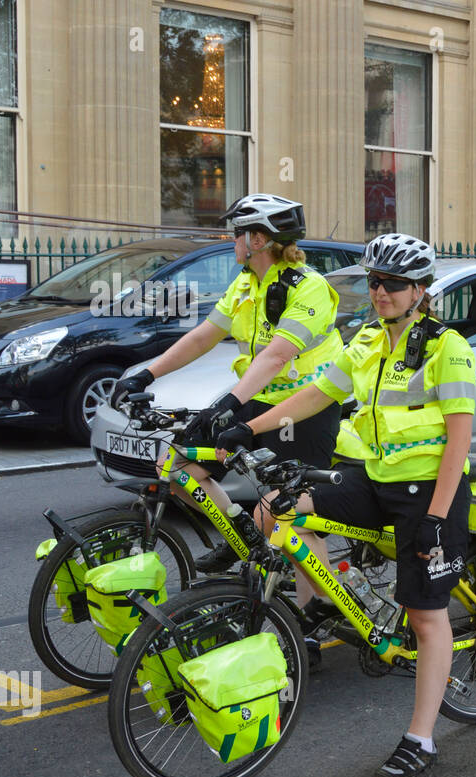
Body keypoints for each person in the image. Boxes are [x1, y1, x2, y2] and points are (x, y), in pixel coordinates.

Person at [216, 233, 476, 777]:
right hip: (374, 480)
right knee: (276, 509)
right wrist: (246, 423)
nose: (380, 292)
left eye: (394, 284)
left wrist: (436, 514)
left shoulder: (446, 347)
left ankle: (420, 738)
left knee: (426, 617)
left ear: (421, 290)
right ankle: (329, 602)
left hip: (429, 492)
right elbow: (318, 394)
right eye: (374, 281)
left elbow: (458, 440)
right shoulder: (368, 338)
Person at [109, 194, 343, 571]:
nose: (231, 241)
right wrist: (146, 373)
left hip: (304, 407)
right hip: (257, 397)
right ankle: (243, 538)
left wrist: (228, 403)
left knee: (286, 515)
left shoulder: (308, 287)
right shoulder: (247, 283)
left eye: (237, 234)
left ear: (258, 240)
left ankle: (318, 612)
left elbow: (277, 355)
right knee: (180, 466)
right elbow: (204, 336)